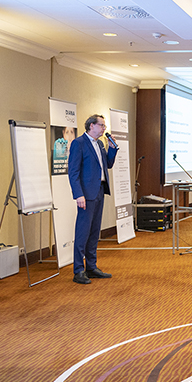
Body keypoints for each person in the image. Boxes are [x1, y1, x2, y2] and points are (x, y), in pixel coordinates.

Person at [68, 114, 118, 285]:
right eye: (101, 125)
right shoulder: (79, 143)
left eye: (104, 126)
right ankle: (78, 270)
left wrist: (112, 148)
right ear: (91, 126)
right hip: (86, 194)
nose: (104, 128)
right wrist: (78, 194)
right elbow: (73, 171)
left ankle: (91, 266)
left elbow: (107, 164)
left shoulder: (100, 144)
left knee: (94, 231)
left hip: (99, 191)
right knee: (82, 232)